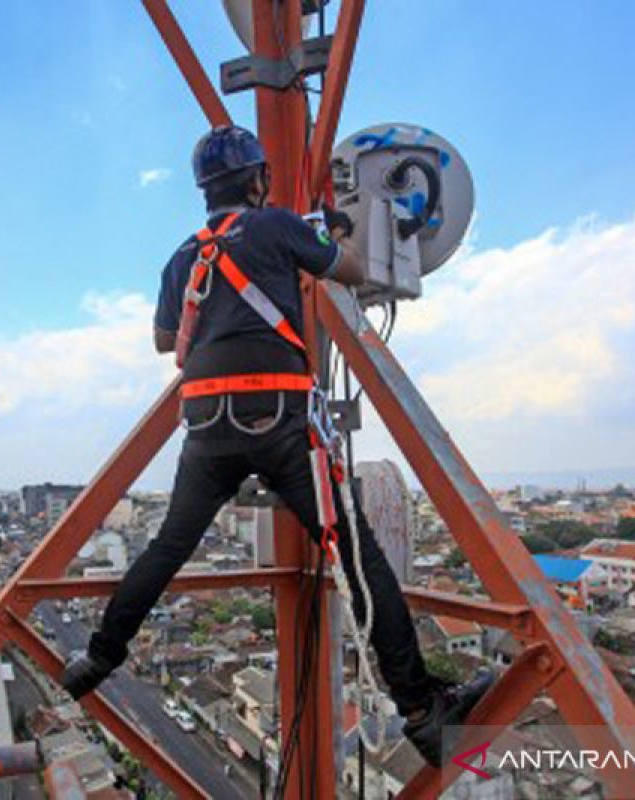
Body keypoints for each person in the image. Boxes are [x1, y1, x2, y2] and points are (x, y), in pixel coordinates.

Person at [61, 125, 491, 766]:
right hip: (280, 422)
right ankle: (424, 712)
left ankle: (98, 656)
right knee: (357, 557)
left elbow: (162, 340)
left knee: (169, 546)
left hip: (206, 428)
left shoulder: (184, 256)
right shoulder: (276, 227)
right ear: (257, 179)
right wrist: (333, 235)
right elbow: (348, 270)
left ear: (205, 189)